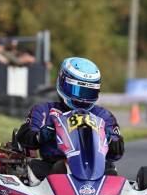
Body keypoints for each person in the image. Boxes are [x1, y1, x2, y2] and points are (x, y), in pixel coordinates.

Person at [15, 57, 125, 186]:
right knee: (37, 167)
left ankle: (102, 190)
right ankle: (59, 184)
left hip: (94, 168)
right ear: (62, 82)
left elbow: (117, 151)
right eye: (78, 91)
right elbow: (23, 136)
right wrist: (41, 135)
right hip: (53, 166)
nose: (83, 98)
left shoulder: (102, 115)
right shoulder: (44, 110)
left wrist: (107, 138)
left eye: (88, 92)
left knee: (109, 167)